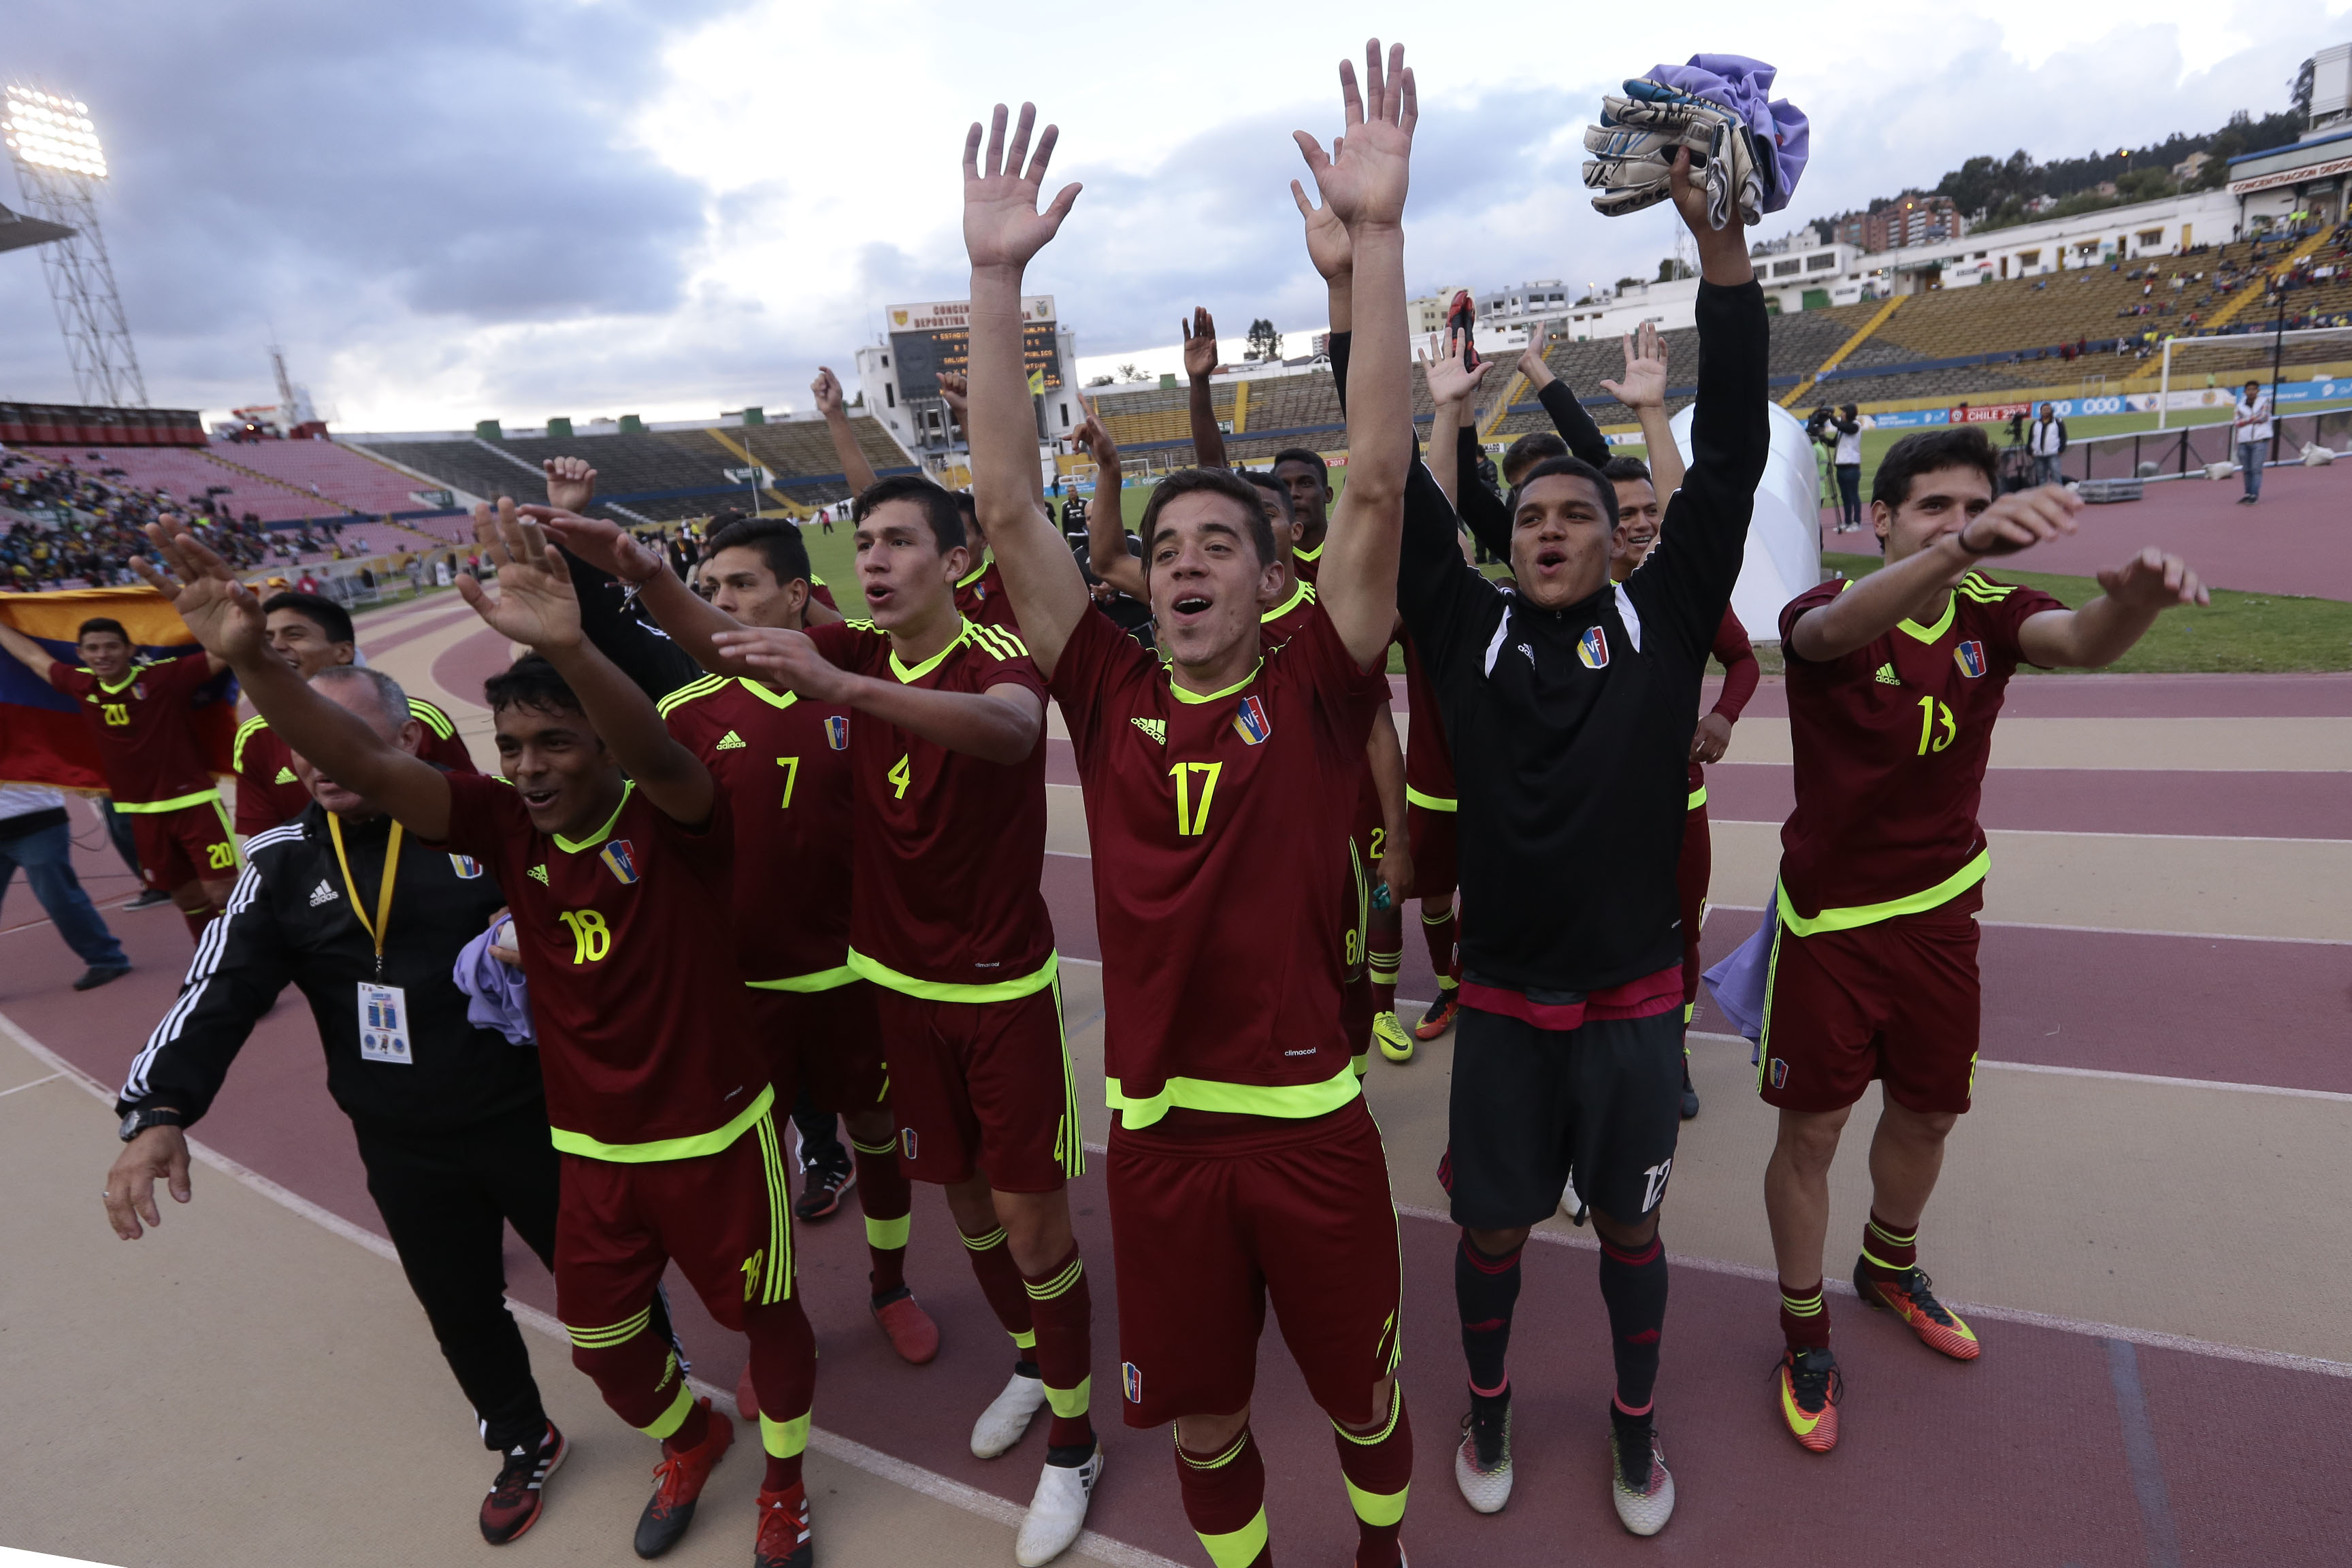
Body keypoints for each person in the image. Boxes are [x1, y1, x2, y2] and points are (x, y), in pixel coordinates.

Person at [135, 507, 823, 1568]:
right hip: (592, 1148)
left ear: (601, 746)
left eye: (555, 743)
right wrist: (253, 676)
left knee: (763, 1316)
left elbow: (649, 740)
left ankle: (784, 1483)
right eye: (512, 749)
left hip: (714, 1136)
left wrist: (568, 646)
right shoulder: (502, 826)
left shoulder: (674, 816)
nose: (532, 767)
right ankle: (690, 1437)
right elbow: (360, 762)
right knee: (604, 1344)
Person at [957, 54, 1420, 1568]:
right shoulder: (1104, 690)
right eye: (1170, 548)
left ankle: (1381, 1549)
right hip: (1158, 1145)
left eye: (1225, 541)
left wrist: (1382, 243)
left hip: (1310, 1133)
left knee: (1363, 1408)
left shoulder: (1321, 680)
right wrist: (993, 283)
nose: (1192, 562)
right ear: (1144, 582)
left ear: (1272, 576)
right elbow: (1013, 506)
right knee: (1205, 1422)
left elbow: (1373, 482)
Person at [1399, 152, 1765, 1536]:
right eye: (1532, 518)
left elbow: (1725, 456)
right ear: (1513, 543)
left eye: (1578, 518)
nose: (1551, 531)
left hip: (1629, 1010)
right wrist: (1418, 387)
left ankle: (1631, 1426)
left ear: (1620, 542)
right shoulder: (1468, 627)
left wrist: (1722, 267)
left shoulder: (1666, 625)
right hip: (1497, 1007)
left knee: (1633, 1232)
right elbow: (1406, 511)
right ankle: (1488, 1400)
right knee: (1489, 1234)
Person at [103, 664, 659, 1546]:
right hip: (400, 1137)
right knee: (458, 1304)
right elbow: (218, 987)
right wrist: (156, 1110)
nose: (319, 760)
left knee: (608, 1281)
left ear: (404, 742)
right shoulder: (283, 862)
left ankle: (667, 1411)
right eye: (304, 740)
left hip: (537, 1112)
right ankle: (521, 1436)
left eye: (343, 736)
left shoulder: (487, 821)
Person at [1762, 429, 2206, 1456]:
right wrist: (1966, 549)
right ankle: (1802, 1331)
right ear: (1879, 520)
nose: (1960, 527)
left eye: (1975, 509)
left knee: (1927, 1117)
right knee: (1812, 1135)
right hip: (1831, 926)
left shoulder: (1994, 616)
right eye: (1934, 510)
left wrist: (2135, 596)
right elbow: (1825, 640)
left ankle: (1887, 1265)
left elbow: (2081, 641)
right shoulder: (1825, 609)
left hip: (1942, 920)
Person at [707, 474, 1100, 1561]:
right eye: (862, 544)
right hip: (896, 995)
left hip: (999, 997)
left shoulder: (992, 660)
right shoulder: (857, 656)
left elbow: (1012, 734)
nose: (870, 561)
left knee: (1034, 1225)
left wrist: (845, 691)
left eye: (895, 542)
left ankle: (1075, 1440)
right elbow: (736, 634)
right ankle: (1035, 1358)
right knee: (965, 1204)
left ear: (958, 558)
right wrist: (639, 575)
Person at [525, 507, 944, 1388]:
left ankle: (891, 1284)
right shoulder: (679, 716)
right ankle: (774, 1335)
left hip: (854, 975)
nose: (719, 603)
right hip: (739, 991)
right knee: (757, 1174)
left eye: (740, 586)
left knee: (876, 1135)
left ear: (796, 597)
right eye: (707, 588)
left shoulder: (859, 690)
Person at [0, 604, 239, 943]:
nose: (103, 654)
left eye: (112, 646)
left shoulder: (162, 678)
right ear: (80, 654)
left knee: (224, 892)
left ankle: (254, 964)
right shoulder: (81, 684)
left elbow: (225, 654)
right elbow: (34, 659)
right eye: (93, 648)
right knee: (187, 899)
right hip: (140, 814)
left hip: (194, 803)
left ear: (130, 650)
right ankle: (214, 965)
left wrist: (240, 611)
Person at [232, 590, 475, 836]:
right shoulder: (254, 736)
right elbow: (264, 843)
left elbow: (471, 809)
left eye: (294, 635)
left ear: (344, 653)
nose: (276, 647)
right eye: (267, 639)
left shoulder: (419, 720)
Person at [0, 783, 130, 989]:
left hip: (37, 823)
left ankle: (106, 959)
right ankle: (106, 958)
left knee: (58, 897)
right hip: (30, 821)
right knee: (59, 895)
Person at [2232, 380, 2272, 503]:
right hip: (2244, 441)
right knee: (2246, 470)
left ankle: (2254, 495)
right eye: (2249, 389)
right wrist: (2253, 419)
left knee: (2256, 469)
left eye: (2254, 389)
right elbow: (2237, 423)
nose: (2252, 392)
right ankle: (2248, 493)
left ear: (2258, 391)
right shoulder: (2240, 406)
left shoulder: (2264, 401)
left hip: (2259, 440)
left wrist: (2247, 419)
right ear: (2245, 392)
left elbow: (2264, 417)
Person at [1830, 406, 1863, 532]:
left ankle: (1857, 522)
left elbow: (1844, 427)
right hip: (1841, 467)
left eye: (1843, 411)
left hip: (1851, 466)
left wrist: (1831, 417)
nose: (1842, 414)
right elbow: (1834, 443)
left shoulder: (1855, 425)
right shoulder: (1842, 428)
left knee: (1853, 495)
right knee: (1845, 496)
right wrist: (1822, 438)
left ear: (1849, 413)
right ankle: (1847, 521)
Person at [2027, 402, 2066, 489]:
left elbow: (2063, 437)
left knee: (2056, 476)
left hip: (2053, 453)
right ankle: (2044, 496)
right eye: (2044, 410)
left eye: (2048, 409)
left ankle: (2058, 495)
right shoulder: (2035, 424)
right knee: (2041, 478)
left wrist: (2061, 450)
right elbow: (2031, 438)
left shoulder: (2058, 422)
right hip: (2038, 455)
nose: (2046, 412)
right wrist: (2030, 452)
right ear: (2040, 412)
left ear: (2052, 411)